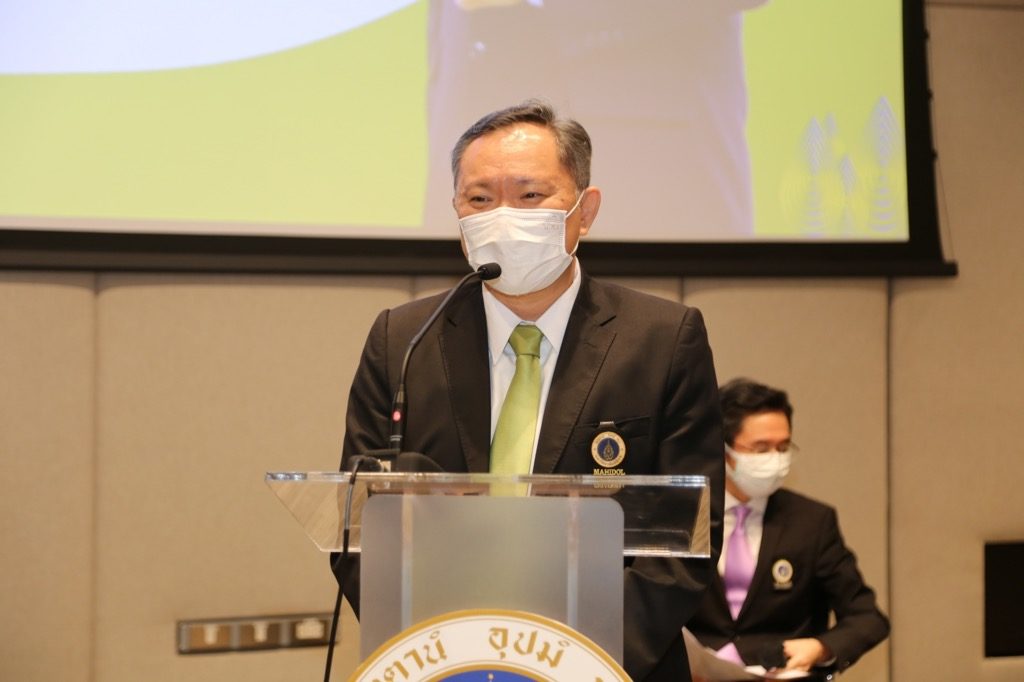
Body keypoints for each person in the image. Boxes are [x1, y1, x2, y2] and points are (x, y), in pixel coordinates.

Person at [339, 100, 724, 681]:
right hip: (447, 665)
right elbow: (358, 528)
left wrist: (567, 666)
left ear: (584, 211)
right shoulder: (403, 339)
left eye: (529, 195)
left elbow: (685, 543)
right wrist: (447, 653)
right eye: (479, 199)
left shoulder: (663, 339)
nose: (502, 217)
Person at [687, 378, 889, 678]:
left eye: (783, 447)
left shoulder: (812, 521)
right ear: (723, 450)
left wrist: (820, 648)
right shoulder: (684, 515)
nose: (776, 460)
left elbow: (867, 617)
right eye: (761, 448)